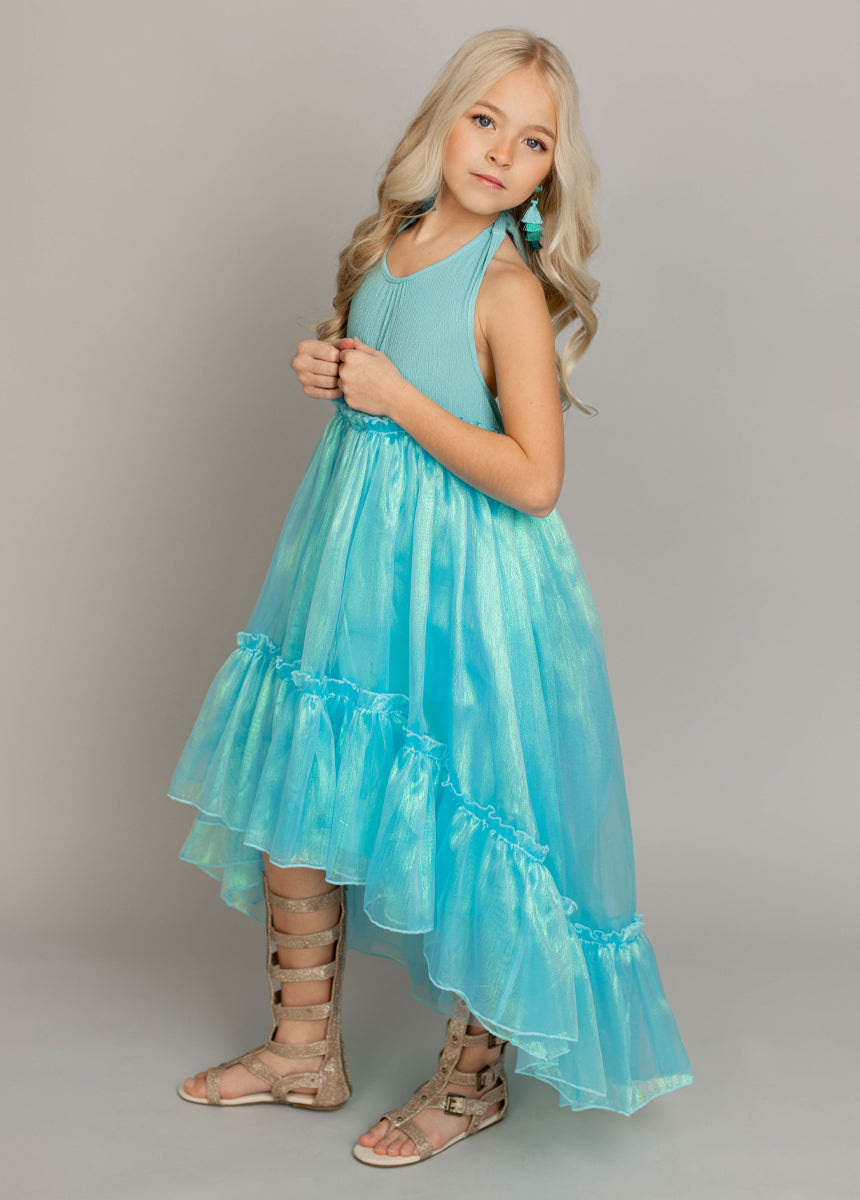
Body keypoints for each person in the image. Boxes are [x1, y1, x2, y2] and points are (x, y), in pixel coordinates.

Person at [168, 26, 694, 1167]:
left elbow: (535, 478)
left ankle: (470, 1079)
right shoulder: (391, 244)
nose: (502, 152)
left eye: (534, 141)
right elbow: (382, 376)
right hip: (354, 563)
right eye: (485, 120)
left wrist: (397, 396)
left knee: (467, 814)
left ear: (550, 174)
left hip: (466, 587)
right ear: (441, 122)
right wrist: (331, 366)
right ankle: (302, 1049)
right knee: (302, 786)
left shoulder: (506, 289)